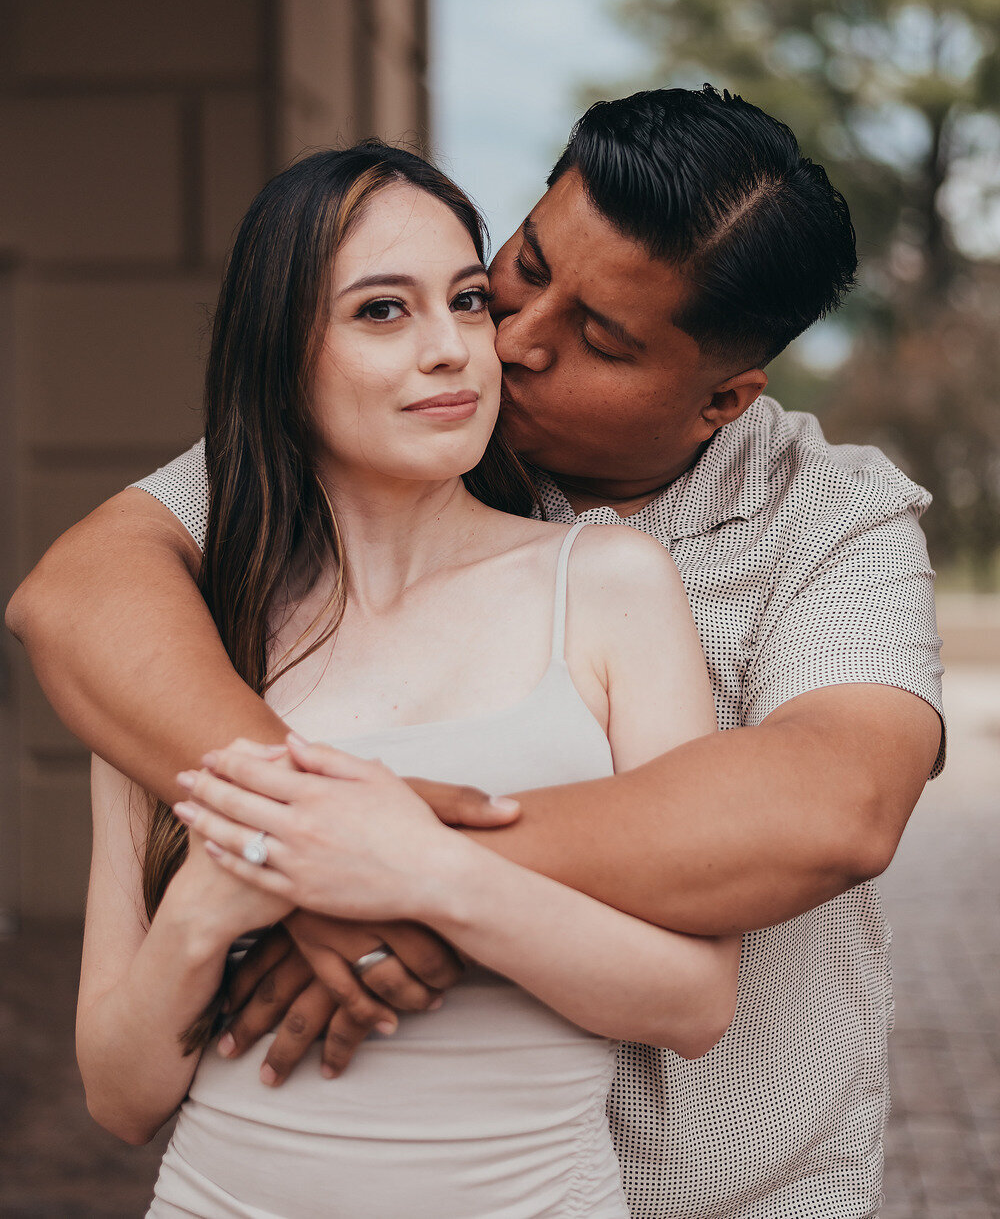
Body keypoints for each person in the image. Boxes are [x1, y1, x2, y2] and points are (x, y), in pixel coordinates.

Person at [7, 87, 944, 1219]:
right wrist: (304, 857)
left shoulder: (828, 520)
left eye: (596, 339)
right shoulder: (379, 437)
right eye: (523, 268)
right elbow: (81, 594)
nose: (507, 340)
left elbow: (832, 804)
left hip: (722, 1191)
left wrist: (388, 860)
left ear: (721, 403)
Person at [75, 141, 740, 1218]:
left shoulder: (610, 584)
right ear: (281, 356)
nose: (452, 350)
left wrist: (421, 873)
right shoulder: (184, 646)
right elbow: (119, 1094)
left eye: (467, 300)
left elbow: (694, 1001)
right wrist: (211, 903)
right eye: (382, 312)